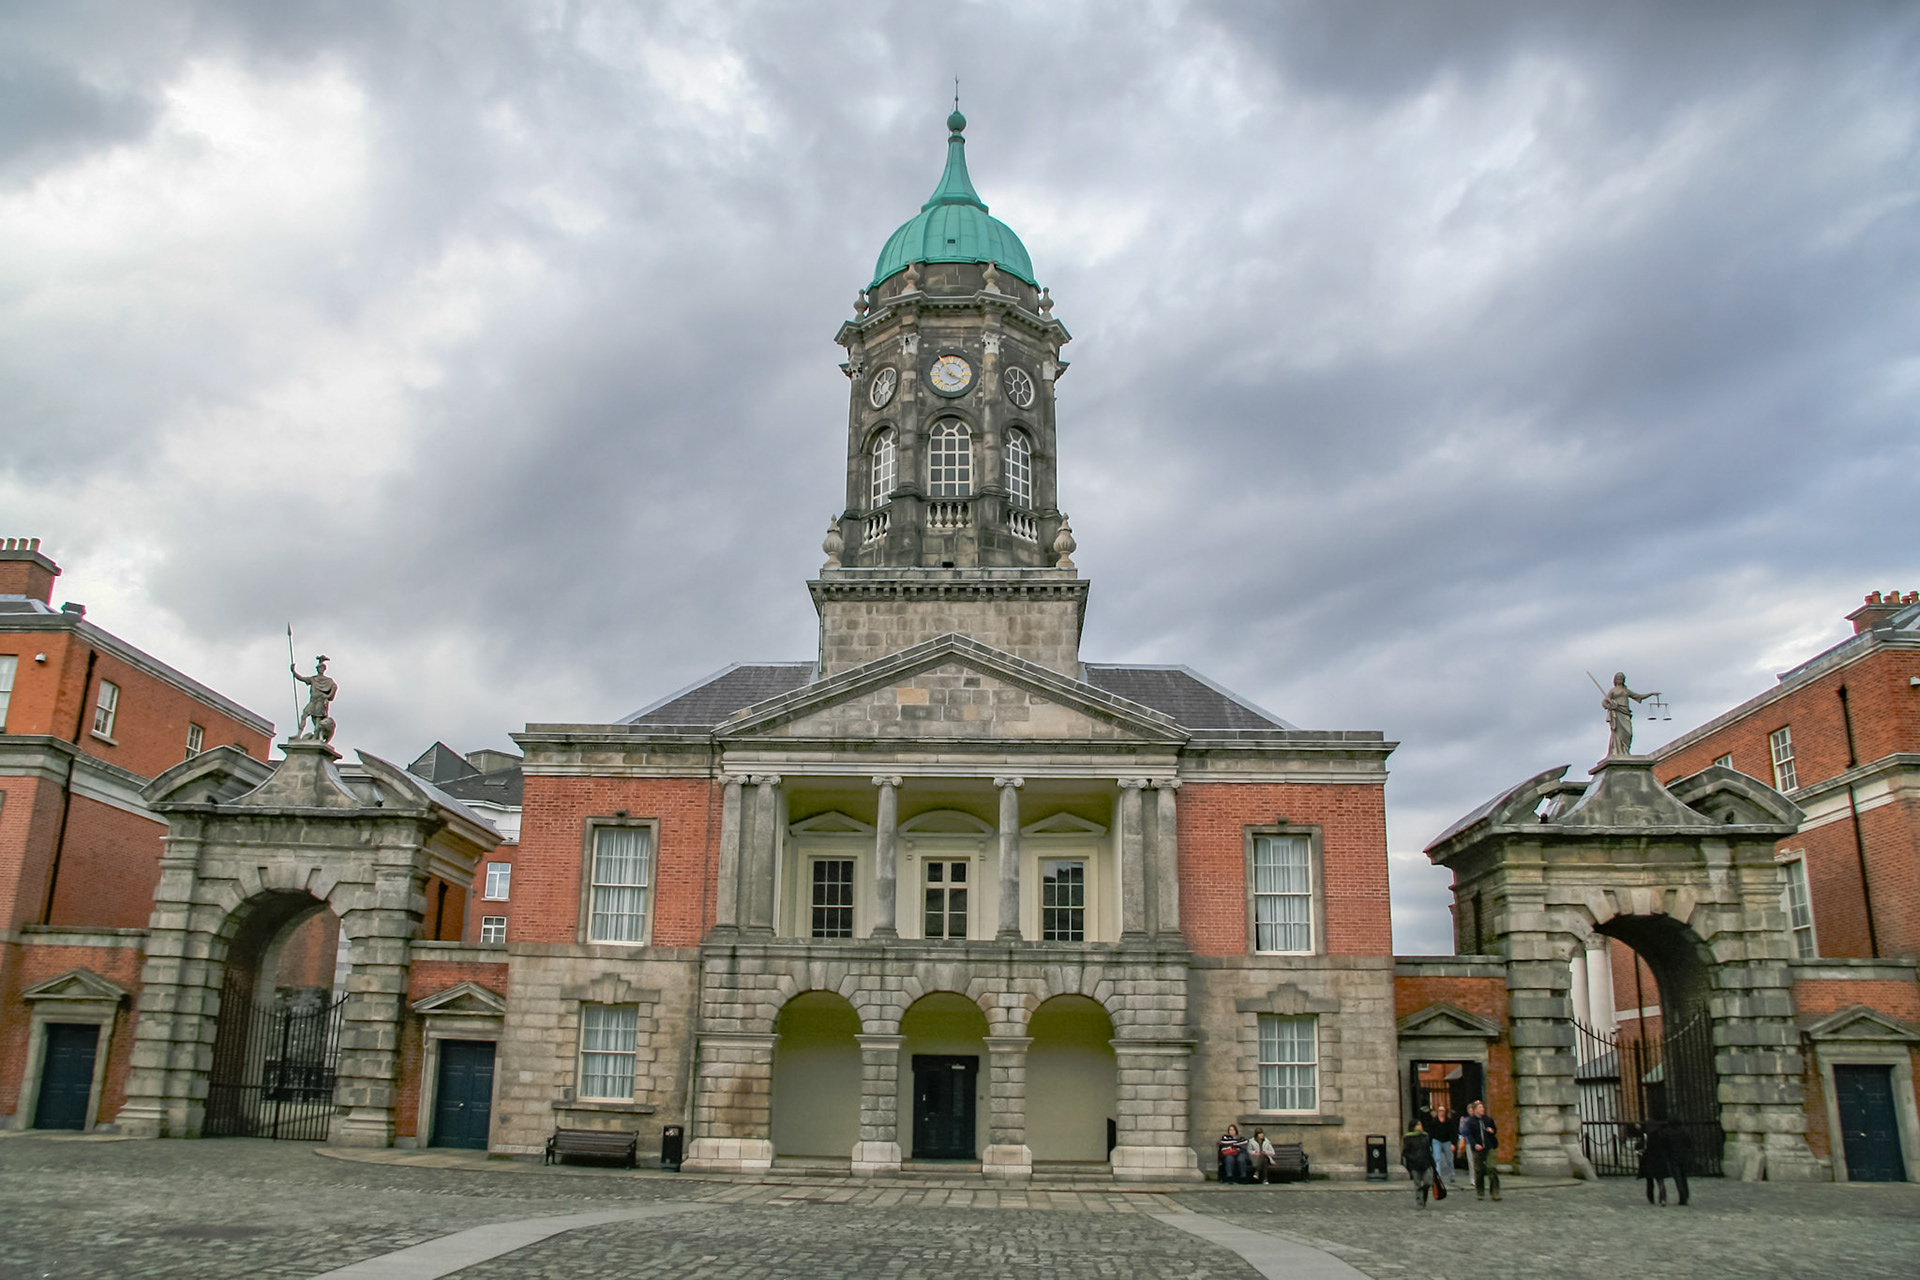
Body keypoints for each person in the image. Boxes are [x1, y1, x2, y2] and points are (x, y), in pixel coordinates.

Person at [1641, 1119, 1690, 1206]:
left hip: (1671, 1158)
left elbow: (1665, 1146)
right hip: (1682, 1157)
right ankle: (1684, 1196)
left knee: (1677, 1178)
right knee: (1683, 1178)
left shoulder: (1666, 1133)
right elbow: (1689, 1144)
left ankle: (1680, 1197)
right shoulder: (1684, 1132)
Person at [1462, 1100, 1502, 1201]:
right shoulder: (1470, 1122)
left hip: (1489, 1147)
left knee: (1491, 1168)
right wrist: (1475, 1144)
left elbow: (1494, 1129)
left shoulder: (1488, 1119)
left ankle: (1495, 1192)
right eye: (1480, 1108)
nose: (1482, 1109)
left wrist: (1492, 1131)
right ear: (1475, 1110)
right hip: (1477, 1148)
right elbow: (1468, 1135)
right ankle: (1480, 1192)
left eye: (1483, 1108)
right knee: (1479, 1170)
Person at [1402, 1118, 1438, 1208]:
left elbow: (1428, 1150)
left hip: (1425, 1163)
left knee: (1428, 1182)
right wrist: (1412, 1159)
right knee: (1417, 1184)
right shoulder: (1408, 1137)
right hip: (1414, 1164)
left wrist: (1432, 1163)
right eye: (1418, 1124)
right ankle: (1420, 1202)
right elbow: (1406, 1152)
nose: (1420, 1126)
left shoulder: (1425, 1136)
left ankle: (1424, 1196)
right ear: (1414, 1127)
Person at [1423, 1102, 1458, 1187]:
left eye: (1443, 1111)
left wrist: (1453, 1143)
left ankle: (1451, 1174)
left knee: (1449, 1159)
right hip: (1436, 1141)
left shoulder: (1449, 1121)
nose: (1441, 1112)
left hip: (1447, 1141)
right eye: (1440, 1111)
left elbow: (1453, 1132)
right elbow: (1431, 1132)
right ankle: (1438, 1176)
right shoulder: (1434, 1121)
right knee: (1437, 1159)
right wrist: (1430, 1143)